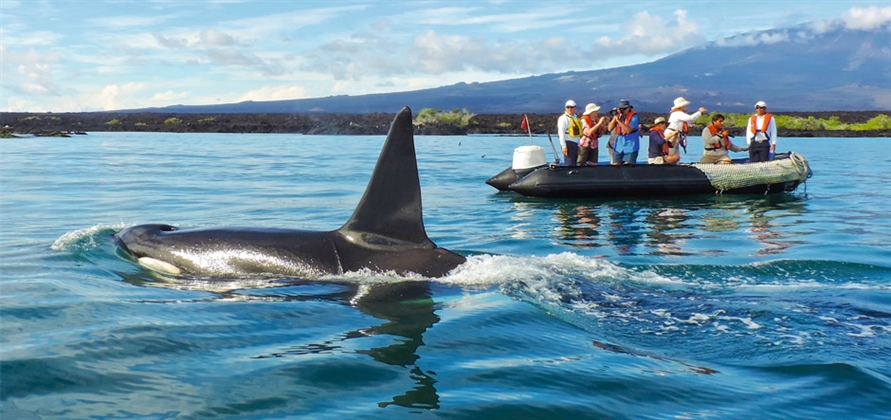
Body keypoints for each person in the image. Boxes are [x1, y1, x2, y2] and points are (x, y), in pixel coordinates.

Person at [667, 97, 706, 163]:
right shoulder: (677, 113)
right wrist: (699, 112)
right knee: (671, 152)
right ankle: (669, 165)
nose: (686, 107)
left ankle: (675, 165)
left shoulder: (677, 113)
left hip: (675, 134)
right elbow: (690, 118)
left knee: (674, 152)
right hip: (672, 134)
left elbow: (689, 121)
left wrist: (699, 114)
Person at [608, 99, 640, 165]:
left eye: (624, 109)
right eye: (621, 109)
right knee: (615, 165)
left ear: (629, 108)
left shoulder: (634, 117)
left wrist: (618, 121)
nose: (623, 111)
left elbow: (628, 130)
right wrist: (615, 118)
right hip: (619, 146)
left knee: (628, 166)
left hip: (631, 146)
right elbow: (609, 128)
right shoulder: (619, 117)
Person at [557, 100, 582, 166]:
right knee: (569, 163)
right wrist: (564, 146)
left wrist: (579, 145)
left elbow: (578, 134)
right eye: (568, 107)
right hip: (568, 143)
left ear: (575, 108)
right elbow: (561, 133)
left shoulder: (576, 119)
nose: (570, 109)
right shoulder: (563, 119)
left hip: (575, 144)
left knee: (574, 163)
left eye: (571, 107)